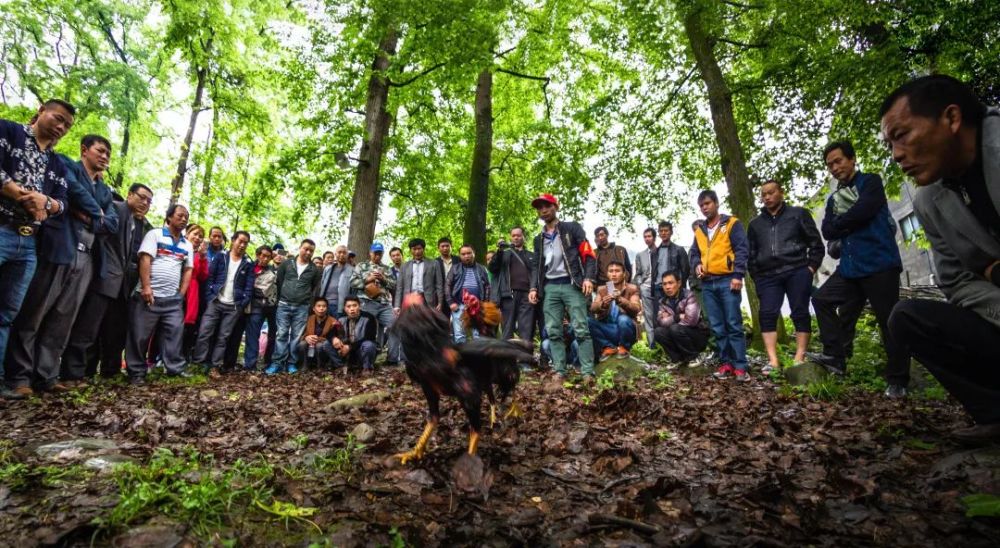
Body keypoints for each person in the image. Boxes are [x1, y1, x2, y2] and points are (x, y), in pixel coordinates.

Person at [880, 75, 1000, 442]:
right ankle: (994, 413)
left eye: (902, 136)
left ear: (951, 118)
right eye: (889, 145)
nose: (897, 154)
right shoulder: (929, 201)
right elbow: (956, 280)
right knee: (908, 318)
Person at [5, 133, 118, 393]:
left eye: (108, 154)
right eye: (100, 151)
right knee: (36, 311)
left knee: (63, 318)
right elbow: (74, 193)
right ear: (84, 150)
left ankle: (45, 375)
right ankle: (19, 376)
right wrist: (96, 213)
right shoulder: (67, 166)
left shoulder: (104, 190)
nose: (104, 157)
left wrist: (89, 217)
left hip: (87, 257)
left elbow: (111, 223)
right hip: (60, 249)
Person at [809, 140, 910, 397]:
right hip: (850, 267)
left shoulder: (871, 182)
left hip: (879, 263)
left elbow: (866, 210)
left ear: (852, 159)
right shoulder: (833, 199)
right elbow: (827, 230)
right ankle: (835, 356)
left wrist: (845, 221)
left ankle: (898, 381)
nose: (834, 167)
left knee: (889, 321)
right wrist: (849, 220)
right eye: (830, 164)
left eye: (838, 161)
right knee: (821, 299)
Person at [0, 100, 73, 398]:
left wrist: (48, 203)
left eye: (67, 125)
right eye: (58, 118)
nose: (61, 127)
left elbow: (62, 202)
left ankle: (3, 379)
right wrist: (21, 195)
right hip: (2, 227)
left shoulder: (56, 163)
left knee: (7, 312)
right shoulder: (8, 131)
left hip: (29, 241)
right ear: (41, 110)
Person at [61, 183, 153, 382]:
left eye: (149, 201)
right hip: (103, 277)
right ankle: (75, 373)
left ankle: (108, 371)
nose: (145, 203)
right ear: (129, 195)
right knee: (88, 328)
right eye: (141, 197)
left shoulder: (143, 225)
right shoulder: (116, 210)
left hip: (123, 286)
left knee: (114, 331)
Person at [747, 179, 824, 374]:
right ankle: (773, 361)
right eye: (763, 194)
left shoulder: (798, 214)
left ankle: (800, 356)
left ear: (781, 192)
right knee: (766, 314)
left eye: (771, 192)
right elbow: (751, 253)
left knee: (800, 311)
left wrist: (810, 269)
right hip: (768, 276)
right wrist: (757, 276)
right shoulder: (755, 224)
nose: (767, 197)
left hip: (797, 270)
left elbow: (815, 244)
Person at [528, 193, 598, 380]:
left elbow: (588, 254)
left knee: (581, 328)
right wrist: (534, 288)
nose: (543, 210)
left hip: (572, 284)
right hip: (550, 287)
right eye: (540, 208)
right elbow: (536, 266)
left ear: (556, 207)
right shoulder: (538, 239)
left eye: (547, 206)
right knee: (553, 331)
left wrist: (588, 278)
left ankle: (587, 372)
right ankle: (560, 371)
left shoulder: (571, 228)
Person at [124, 205, 194, 385]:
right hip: (149, 296)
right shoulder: (155, 235)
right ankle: (136, 371)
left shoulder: (187, 245)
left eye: (186, 217)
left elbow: (187, 270)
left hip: (172, 299)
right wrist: (146, 287)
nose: (184, 219)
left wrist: (181, 294)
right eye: (180, 215)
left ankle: (175, 367)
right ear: (169, 217)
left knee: (174, 334)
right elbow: (145, 258)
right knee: (140, 335)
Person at [689, 190, 751, 382]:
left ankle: (740, 366)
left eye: (707, 203)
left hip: (727, 280)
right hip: (707, 283)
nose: (704, 208)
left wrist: (738, 275)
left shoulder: (732, 223)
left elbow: (742, 249)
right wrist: (697, 265)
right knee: (717, 326)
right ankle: (725, 364)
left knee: (733, 323)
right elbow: (693, 253)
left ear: (716, 203)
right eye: (701, 205)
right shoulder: (699, 230)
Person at [192, 230, 255, 376]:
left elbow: (249, 286)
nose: (242, 245)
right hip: (215, 301)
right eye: (240, 241)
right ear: (233, 241)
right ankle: (198, 364)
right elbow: (210, 277)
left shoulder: (247, 263)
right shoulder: (221, 257)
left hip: (233, 306)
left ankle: (215, 366)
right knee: (204, 332)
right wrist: (210, 296)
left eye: (245, 243)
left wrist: (241, 303)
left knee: (223, 337)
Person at [266, 239, 321, 375]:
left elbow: (313, 287)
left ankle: (291, 363)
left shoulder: (314, 269)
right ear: (300, 248)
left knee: (296, 336)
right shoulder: (286, 264)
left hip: (301, 307)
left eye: (311, 251)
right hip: (284, 304)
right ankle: (277, 363)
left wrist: (306, 302)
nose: (308, 252)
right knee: (281, 334)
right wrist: (281, 300)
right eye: (306, 249)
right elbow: (279, 282)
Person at [349, 242, 399, 364]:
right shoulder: (362, 266)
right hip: (367, 303)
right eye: (375, 253)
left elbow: (394, 284)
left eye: (379, 253)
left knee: (396, 327)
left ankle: (392, 359)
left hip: (384, 304)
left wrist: (383, 279)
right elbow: (352, 282)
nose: (377, 256)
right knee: (367, 330)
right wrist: (368, 279)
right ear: (370, 253)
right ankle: (367, 360)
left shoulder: (386, 268)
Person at [487, 227, 537, 344]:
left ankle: (525, 359)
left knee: (526, 329)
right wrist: (499, 251)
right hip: (509, 295)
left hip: (527, 295)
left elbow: (535, 274)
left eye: (518, 235)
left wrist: (534, 289)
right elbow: (492, 268)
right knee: (507, 329)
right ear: (510, 237)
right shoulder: (504, 254)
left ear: (523, 237)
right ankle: (507, 359)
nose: (516, 237)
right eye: (513, 235)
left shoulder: (531, 255)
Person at [654, 272, 710, 365]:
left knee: (674, 328)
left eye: (670, 283)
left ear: (679, 283)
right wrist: (678, 316)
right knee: (658, 332)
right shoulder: (662, 301)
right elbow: (661, 322)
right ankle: (677, 359)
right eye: (664, 284)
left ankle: (694, 357)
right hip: (679, 334)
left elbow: (691, 320)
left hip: (697, 335)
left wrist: (670, 319)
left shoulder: (689, 296)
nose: (667, 287)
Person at [588, 261, 641, 359]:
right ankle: (608, 347)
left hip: (626, 330)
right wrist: (603, 304)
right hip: (609, 330)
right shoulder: (602, 289)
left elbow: (636, 308)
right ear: (607, 274)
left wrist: (620, 299)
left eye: (617, 271)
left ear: (624, 274)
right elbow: (593, 307)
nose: (614, 274)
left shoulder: (632, 288)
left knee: (623, 319)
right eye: (611, 271)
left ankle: (624, 347)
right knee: (587, 321)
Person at [445, 244, 491, 342]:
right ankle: (462, 357)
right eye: (463, 254)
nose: (466, 256)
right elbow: (447, 285)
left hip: (478, 306)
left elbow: (487, 286)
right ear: (460, 256)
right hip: (459, 305)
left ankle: (478, 356)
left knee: (478, 335)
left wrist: (485, 303)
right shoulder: (454, 268)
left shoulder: (482, 268)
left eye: (469, 253)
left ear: (474, 254)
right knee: (459, 335)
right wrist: (451, 302)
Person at [244, 245, 276, 372]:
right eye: (263, 255)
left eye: (268, 257)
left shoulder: (271, 272)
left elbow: (263, 290)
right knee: (250, 334)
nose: (265, 259)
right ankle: (248, 363)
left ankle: (258, 362)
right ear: (258, 255)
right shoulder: (249, 267)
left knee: (262, 335)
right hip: (249, 305)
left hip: (265, 305)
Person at [394, 238, 445, 312]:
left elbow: (439, 285)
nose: (417, 251)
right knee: (410, 322)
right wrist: (397, 305)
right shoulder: (404, 266)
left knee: (427, 322)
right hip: (409, 299)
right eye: (414, 249)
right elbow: (399, 287)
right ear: (410, 250)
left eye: (419, 248)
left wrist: (440, 302)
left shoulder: (434, 263)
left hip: (427, 300)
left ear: (423, 249)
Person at [181, 224, 208, 360]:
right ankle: (155, 358)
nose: (197, 238)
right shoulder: (180, 247)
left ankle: (183, 356)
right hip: (176, 287)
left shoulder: (200, 255)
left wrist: (203, 258)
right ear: (187, 234)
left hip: (192, 291)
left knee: (188, 325)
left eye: (200, 236)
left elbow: (203, 276)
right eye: (195, 234)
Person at [295, 297, 343, 370]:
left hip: (322, 347)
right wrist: (306, 337)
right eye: (319, 306)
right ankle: (304, 365)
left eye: (324, 306)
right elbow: (302, 333)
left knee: (319, 346)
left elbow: (332, 338)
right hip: (310, 346)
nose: (321, 308)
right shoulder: (309, 319)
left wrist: (318, 339)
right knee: (302, 344)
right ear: (314, 309)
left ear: (327, 308)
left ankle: (321, 366)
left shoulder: (332, 321)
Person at [337, 296, 379, 374]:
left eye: (354, 305)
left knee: (369, 345)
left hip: (361, 350)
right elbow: (334, 334)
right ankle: (339, 366)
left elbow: (369, 337)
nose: (352, 309)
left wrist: (350, 347)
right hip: (346, 351)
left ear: (359, 306)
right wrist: (335, 340)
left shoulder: (369, 318)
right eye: (348, 306)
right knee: (329, 343)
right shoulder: (341, 319)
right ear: (345, 308)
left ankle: (367, 368)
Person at [632, 228, 658, 349]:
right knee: (648, 316)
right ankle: (651, 344)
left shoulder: (661, 252)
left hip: (660, 288)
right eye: (645, 236)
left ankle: (663, 344)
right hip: (646, 287)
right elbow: (638, 273)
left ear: (654, 237)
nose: (647, 239)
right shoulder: (640, 255)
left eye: (649, 236)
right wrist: (640, 285)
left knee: (660, 315)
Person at [318, 244, 354, 316]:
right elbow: (322, 284)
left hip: (339, 306)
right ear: (335, 254)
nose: (341, 254)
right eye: (339, 252)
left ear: (347, 255)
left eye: (344, 253)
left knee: (338, 326)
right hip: (324, 304)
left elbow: (353, 290)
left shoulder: (352, 270)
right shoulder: (328, 268)